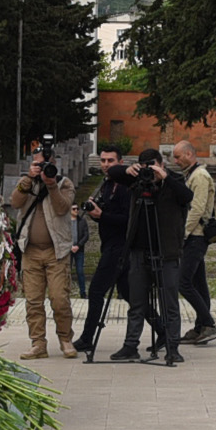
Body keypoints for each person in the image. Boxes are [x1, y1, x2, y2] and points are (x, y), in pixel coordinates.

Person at [112, 147, 189, 363]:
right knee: (137, 303)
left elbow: (186, 197)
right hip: (138, 251)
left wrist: (165, 178)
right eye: (145, 167)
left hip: (167, 252)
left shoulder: (174, 180)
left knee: (169, 304)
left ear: (161, 164)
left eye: (152, 167)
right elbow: (112, 173)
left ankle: (173, 347)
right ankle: (130, 346)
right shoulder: (138, 181)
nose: (149, 172)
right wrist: (128, 170)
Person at [6, 139, 78, 358]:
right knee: (33, 301)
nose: (42, 168)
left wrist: (51, 184)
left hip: (57, 252)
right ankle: (38, 343)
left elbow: (63, 208)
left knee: (59, 299)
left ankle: (66, 340)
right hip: (30, 251)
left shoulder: (64, 184)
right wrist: (29, 178)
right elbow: (15, 202)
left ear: (54, 164)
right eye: (38, 164)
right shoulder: (27, 182)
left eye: (46, 164)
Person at [74, 148, 132, 352]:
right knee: (130, 296)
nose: (106, 164)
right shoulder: (107, 185)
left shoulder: (126, 187)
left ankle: (88, 337)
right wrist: (95, 212)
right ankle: (162, 331)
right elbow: (104, 213)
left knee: (96, 290)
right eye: (103, 160)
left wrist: (102, 215)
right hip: (109, 244)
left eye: (111, 160)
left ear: (121, 162)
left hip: (119, 247)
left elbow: (128, 221)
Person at [179, 153, 216, 345]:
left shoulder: (200, 176)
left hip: (196, 236)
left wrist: (183, 233)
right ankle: (201, 328)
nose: (176, 160)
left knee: (183, 282)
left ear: (189, 154)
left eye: (178, 156)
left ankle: (208, 323)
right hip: (195, 236)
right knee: (198, 283)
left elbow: (197, 208)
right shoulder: (192, 174)